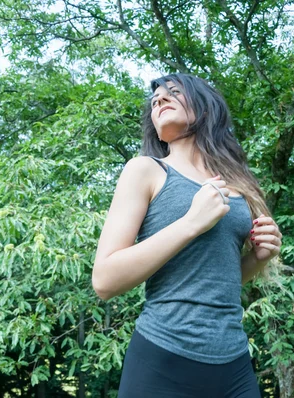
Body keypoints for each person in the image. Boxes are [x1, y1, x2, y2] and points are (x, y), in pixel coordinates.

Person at [92, 73, 282, 398]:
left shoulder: (237, 186)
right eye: (155, 101)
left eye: (173, 93)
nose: (160, 100)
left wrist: (257, 257)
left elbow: (213, 280)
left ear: (205, 109)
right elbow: (105, 281)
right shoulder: (145, 170)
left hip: (234, 362)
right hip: (162, 358)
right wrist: (191, 223)